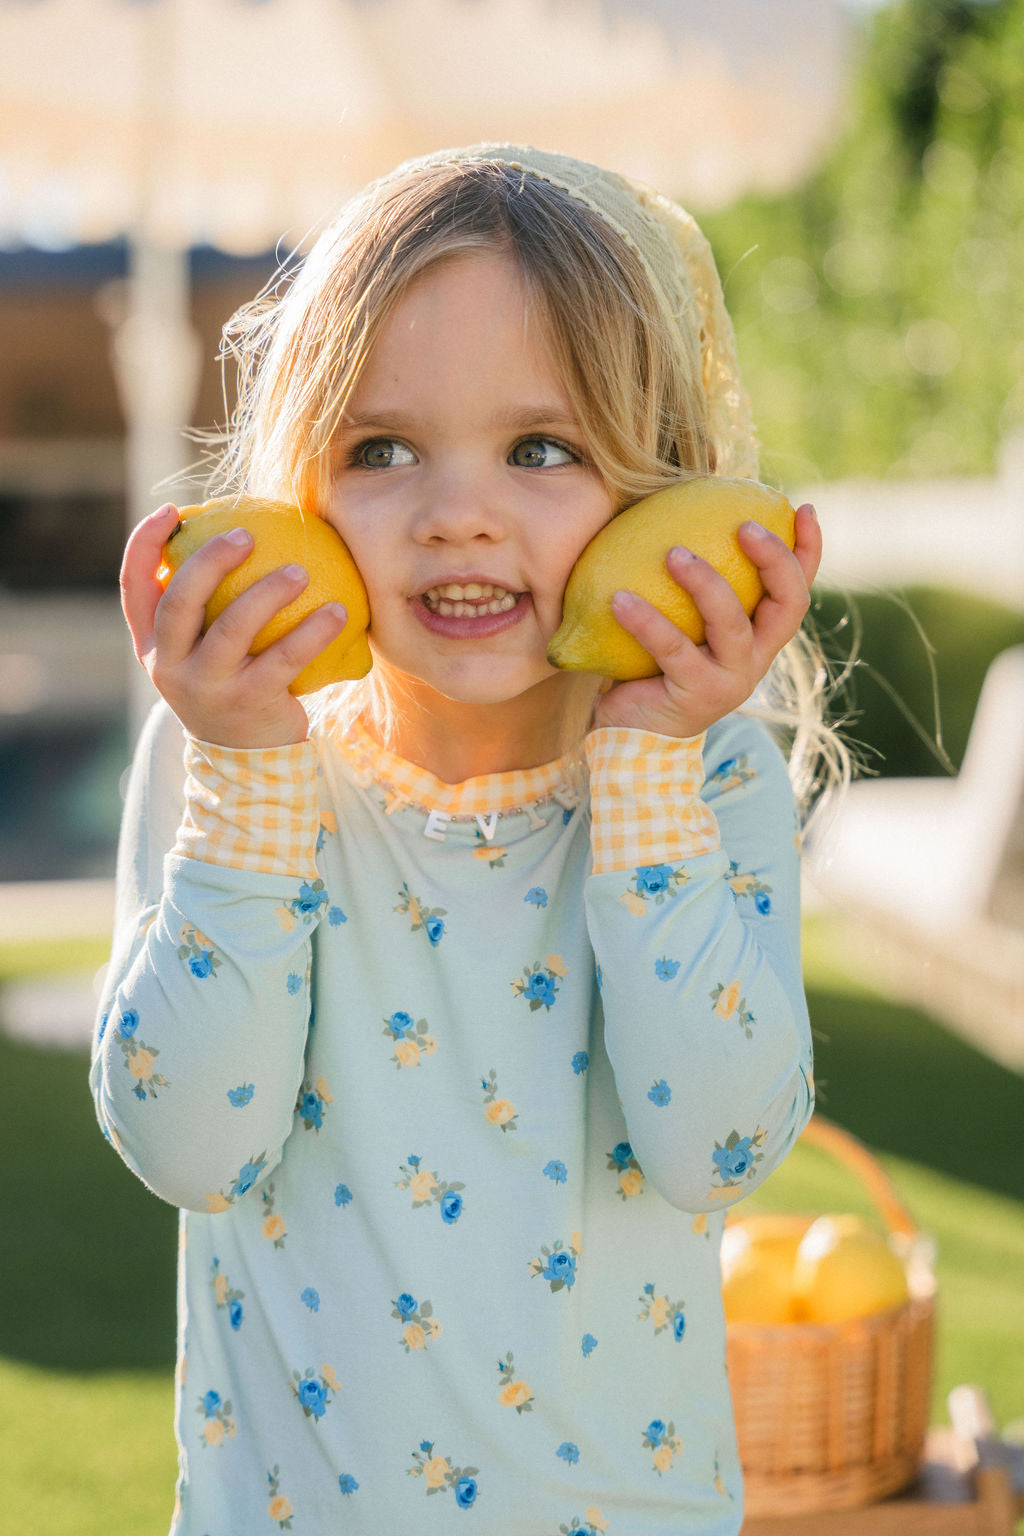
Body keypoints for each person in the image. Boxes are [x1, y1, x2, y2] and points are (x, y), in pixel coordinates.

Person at [93, 143, 831, 1535]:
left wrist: (648, 773)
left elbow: (720, 1144)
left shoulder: (702, 773)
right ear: (298, 491)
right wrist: (246, 780)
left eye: (541, 449)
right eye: (381, 450)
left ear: (657, 493)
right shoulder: (242, 756)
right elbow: (191, 1141)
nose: (457, 514)